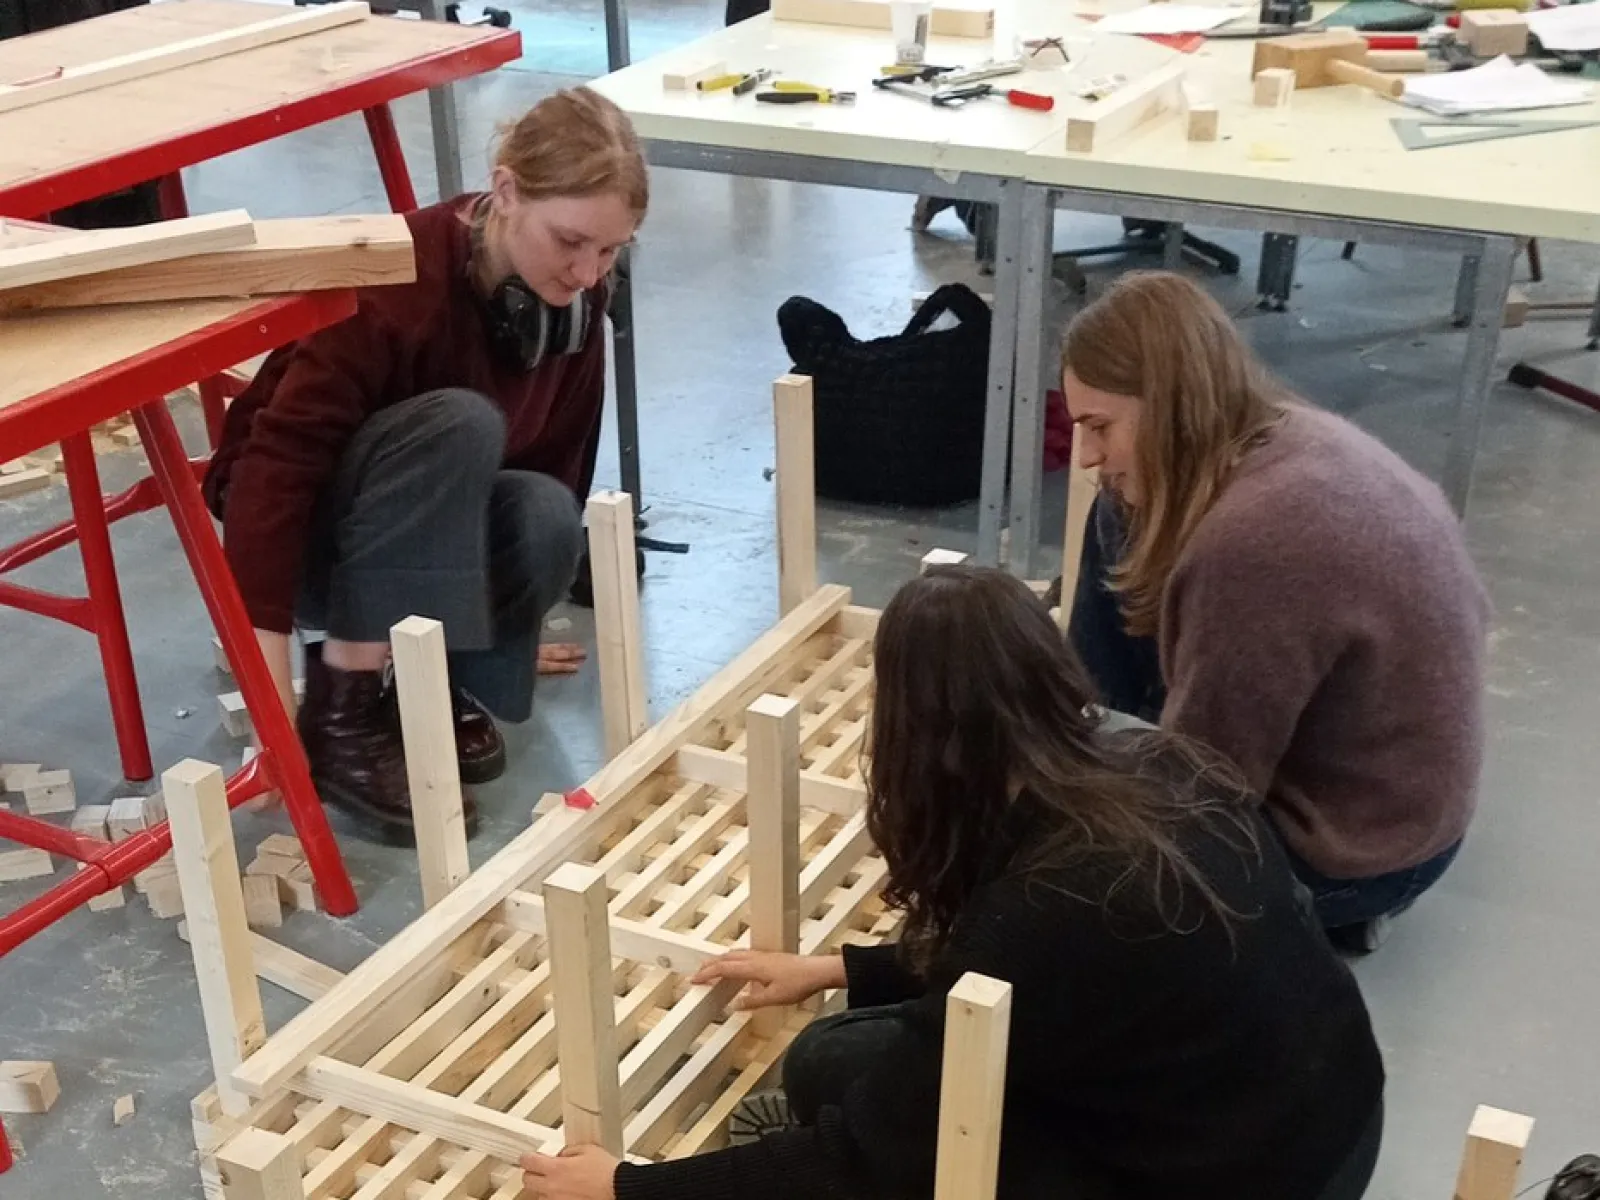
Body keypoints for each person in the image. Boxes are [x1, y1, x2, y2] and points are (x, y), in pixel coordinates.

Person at [520, 565, 1386, 1200]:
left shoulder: (1045, 909)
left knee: (849, 1088)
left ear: (919, 730)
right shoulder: (1147, 758)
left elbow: (868, 1155)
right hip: (1328, 1114)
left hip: (1252, 1180)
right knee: (830, 1057)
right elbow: (1054, 971)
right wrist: (841, 972)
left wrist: (629, 1187)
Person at [203, 87, 648, 842]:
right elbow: (270, 474)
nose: (586, 272)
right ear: (505, 190)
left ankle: (427, 682)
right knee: (463, 421)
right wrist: (271, 682)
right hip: (322, 548)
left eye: (608, 250)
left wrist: (501, 626)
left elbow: (557, 469)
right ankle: (343, 708)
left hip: (423, 544)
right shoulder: (392, 279)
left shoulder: (576, 307)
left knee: (545, 513)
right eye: (569, 240)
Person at [1051, 270, 1491, 953]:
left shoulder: (1255, 545)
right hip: (1405, 797)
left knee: (1093, 894)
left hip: (1362, 851)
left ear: (1166, 404)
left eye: (1099, 426)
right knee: (1120, 505)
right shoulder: (1280, 433)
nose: (1084, 454)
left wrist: (1089, 846)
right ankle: (1075, 746)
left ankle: (1322, 910)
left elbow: (1207, 791)